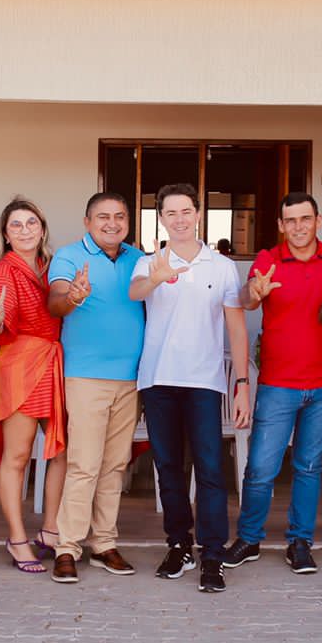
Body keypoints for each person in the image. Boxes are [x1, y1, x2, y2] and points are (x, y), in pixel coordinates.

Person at [222, 193, 322, 575]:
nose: (298, 227)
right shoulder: (268, 259)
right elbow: (246, 300)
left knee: (309, 466)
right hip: (278, 384)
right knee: (261, 468)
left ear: (318, 221)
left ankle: (300, 543)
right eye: (290, 220)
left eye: (305, 219)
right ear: (281, 225)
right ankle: (249, 539)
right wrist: (254, 291)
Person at [130, 182, 250, 594]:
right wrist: (156, 278)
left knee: (210, 469)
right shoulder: (148, 262)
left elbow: (236, 327)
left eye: (186, 211)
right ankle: (178, 545)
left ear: (198, 214)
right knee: (168, 468)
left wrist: (242, 383)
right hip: (159, 378)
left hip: (203, 381)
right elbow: (134, 292)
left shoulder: (222, 266)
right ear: (161, 219)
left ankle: (212, 553)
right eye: (171, 213)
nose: (179, 219)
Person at [45, 193, 144, 584]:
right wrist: (73, 296)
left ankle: (104, 543)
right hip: (86, 377)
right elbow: (55, 302)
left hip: (131, 377)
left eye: (120, 216)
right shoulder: (69, 256)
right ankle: (67, 547)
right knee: (84, 464)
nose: (112, 223)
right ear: (87, 221)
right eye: (103, 216)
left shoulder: (139, 258)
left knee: (115, 465)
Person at [0, 197, 67, 574]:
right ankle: (17, 538)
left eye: (32, 222)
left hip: (53, 361)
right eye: (16, 224)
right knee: (17, 456)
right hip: (20, 364)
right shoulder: (3, 271)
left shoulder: (54, 267)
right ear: (5, 233)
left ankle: (51, 529)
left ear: (42, 229)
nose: (25, 230)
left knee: (62, 452)